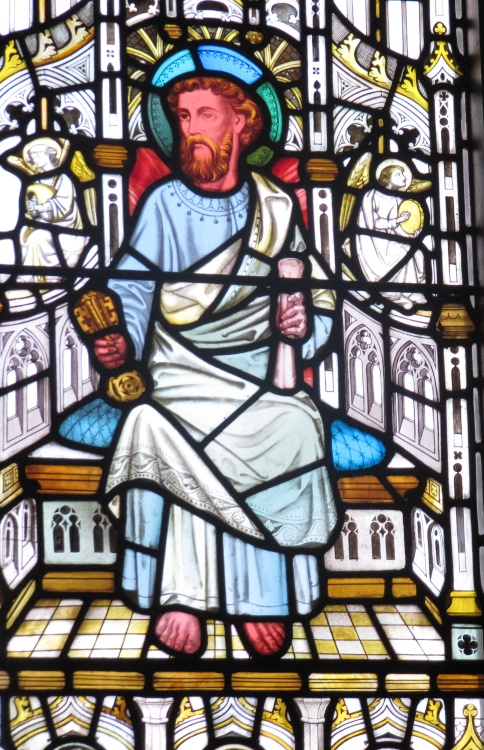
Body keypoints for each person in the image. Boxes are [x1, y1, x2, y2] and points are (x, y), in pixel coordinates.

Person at [92, 73, 338, 657]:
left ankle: (262, 597)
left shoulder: (275, 207)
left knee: (298, 422)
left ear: (242, 123)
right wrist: (122, 343)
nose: (191, 130)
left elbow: (320, 300)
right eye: (182, 117)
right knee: (170, 426)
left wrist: (303, 325)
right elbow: (131, 288)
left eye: (205, 115)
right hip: (178, 368)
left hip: (258, 371)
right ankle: (182, 594)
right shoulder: (163, 204)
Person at [356, 160, 427, 309]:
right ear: (387, 178)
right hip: (373, 242)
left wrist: (411, 236)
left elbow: (398, 228)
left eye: (403, 174)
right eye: (398, 174)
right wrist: (396, 221)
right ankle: (393, 292)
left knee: (417, 252)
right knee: (402, 251)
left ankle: (412, 290)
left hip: (389, 239)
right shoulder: (371, 196)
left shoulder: (397, 199)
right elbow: (372, 225)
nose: (404, 178)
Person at [19, 138, 87, 280]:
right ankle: (32, 277)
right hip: (44, 224)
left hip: (67, 227)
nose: (34, 159)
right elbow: (33, 204)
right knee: (25, 235)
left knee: (37, 237)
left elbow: (63, 205)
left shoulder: (63, 178)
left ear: (49, 154)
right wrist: (33, 209)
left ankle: (46, 277)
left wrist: (40, 208)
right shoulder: (37, 179)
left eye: (37, 155)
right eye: (32, 157)